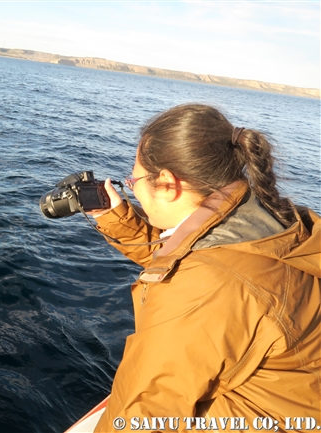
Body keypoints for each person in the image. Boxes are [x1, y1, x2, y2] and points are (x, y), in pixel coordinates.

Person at [87, 104, 320, 431]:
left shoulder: (202, 290)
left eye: (134, 178)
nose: (133, 187)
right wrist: (113, 218)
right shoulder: (267, 217)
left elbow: (144, 413)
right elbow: (201, 253)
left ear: (168, 183)